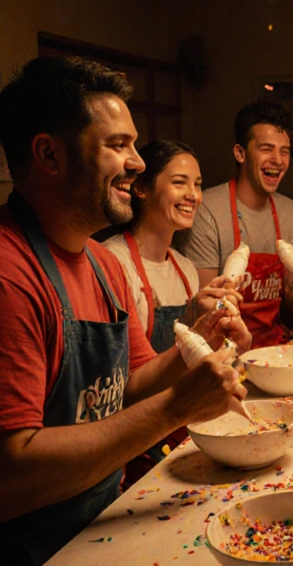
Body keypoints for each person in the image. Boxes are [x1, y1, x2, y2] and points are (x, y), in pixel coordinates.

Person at [0, 57, 248, 564]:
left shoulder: (102, 264)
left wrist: (202, 340)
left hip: (87, 531)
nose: (138, 163)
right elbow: (3, 482)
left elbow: (132, 383)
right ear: (49, 154)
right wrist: (178, 407)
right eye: (117, 145)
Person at [101, 140, 249, 485]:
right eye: (180, 182)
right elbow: (124, 385)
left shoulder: (185, 268)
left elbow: (194, 362)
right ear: (141, 188)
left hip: (185, 428)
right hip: (138, 443)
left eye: (197, 184)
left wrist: (226, 338)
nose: (193, 195)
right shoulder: (113, 263)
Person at [185, 102, 293, 348]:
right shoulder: (208, 209)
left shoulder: (290, 212)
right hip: (222, 351)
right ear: (240, 153)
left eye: (284, 151)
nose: (277, 160)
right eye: (266, 149)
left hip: (275, 348)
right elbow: (203, 307)